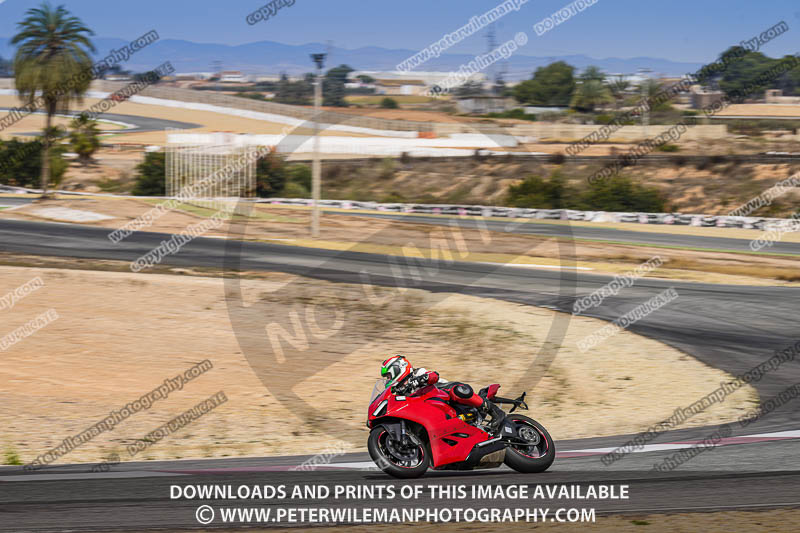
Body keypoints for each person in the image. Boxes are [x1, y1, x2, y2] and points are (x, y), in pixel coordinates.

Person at [380, 355, 505, 434]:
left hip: (447, 396)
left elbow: (434, 376)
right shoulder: (403, 392)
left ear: (398, 368)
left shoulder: (417, 373)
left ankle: (495, 412)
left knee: (458, 391)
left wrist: (421, 379)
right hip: (437, 412)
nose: (388, 379)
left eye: (389, 376)